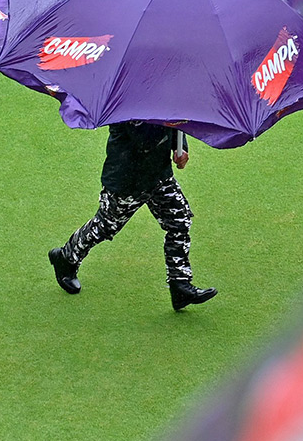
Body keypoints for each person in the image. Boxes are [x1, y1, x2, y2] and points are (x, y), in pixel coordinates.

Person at [49, 121, 217, 310]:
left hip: (158, 175)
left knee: (179, 221)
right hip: (127, 180)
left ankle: (180, 285)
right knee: (106, 225)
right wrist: (172, 122)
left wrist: (180, 146)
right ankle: (65, 257)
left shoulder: (162, 95)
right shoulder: (129, 102)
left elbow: (173, 117)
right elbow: (146, 140)